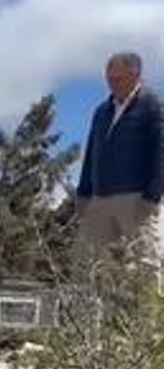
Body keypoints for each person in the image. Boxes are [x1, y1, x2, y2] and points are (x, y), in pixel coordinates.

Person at [76, 52, 163, 261]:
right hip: (99, 199)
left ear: (136, 75)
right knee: (90, 264)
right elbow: (91, 154)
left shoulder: (154, 107)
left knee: (141, 264)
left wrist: (151, 197)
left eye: (118, 79)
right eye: (109, 79)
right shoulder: (101, 112)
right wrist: (83, 193)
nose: (112, 85)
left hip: (137, 198)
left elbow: (161, 155)